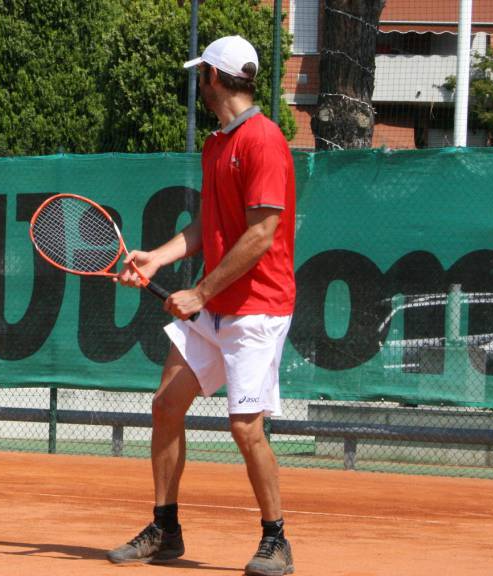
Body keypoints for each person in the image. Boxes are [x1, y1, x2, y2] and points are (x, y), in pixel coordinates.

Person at [106, 36, 296, 576]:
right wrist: (158, 260)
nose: (198, 83)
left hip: (257, 310)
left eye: (201, 75)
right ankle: (165, 528)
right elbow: (207, 228)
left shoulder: (264, 141)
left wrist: (201, 293)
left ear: (214, 77)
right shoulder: (218, 145)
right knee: (167, 405)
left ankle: (276, 539)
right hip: (217, 308)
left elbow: (261, 233)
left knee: (245, 427)